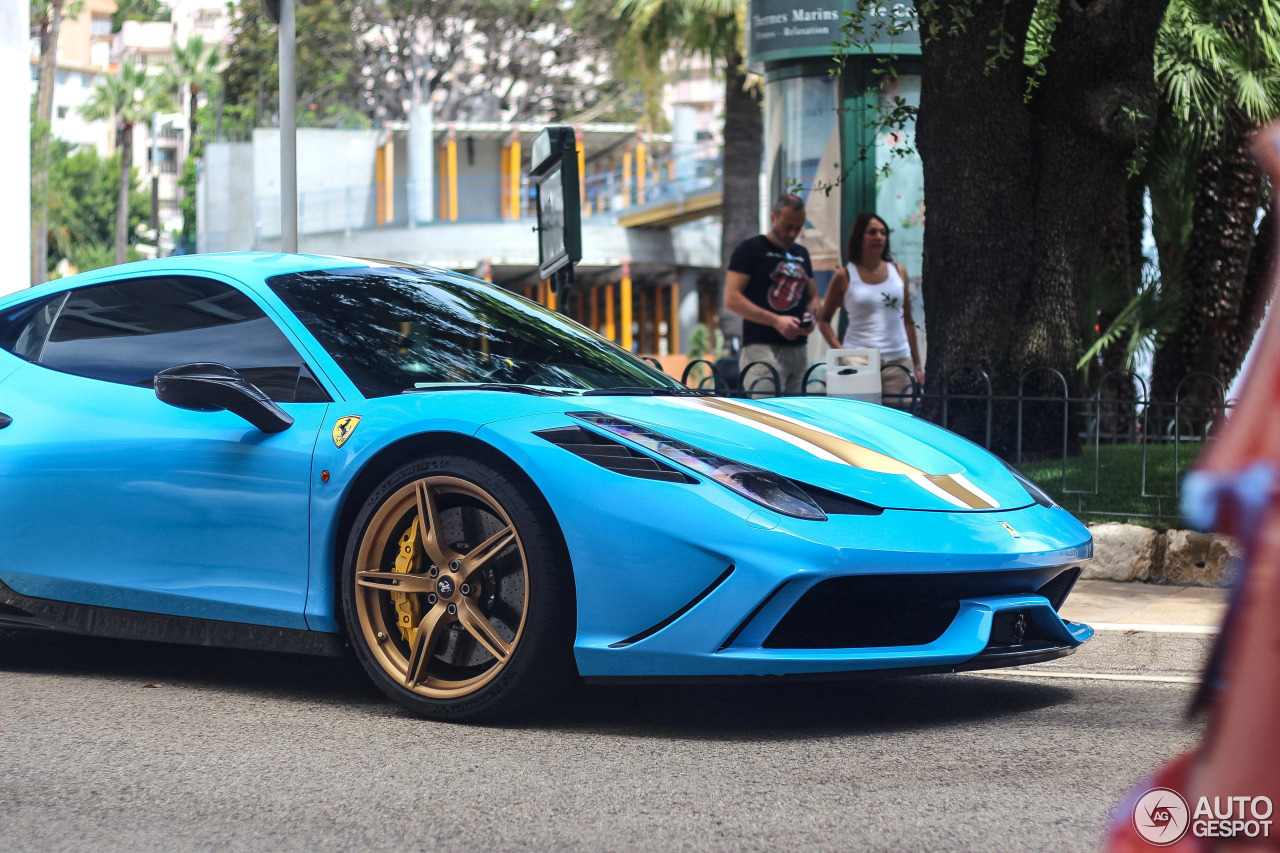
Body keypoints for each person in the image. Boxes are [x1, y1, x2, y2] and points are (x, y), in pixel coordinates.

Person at [817, 212, 923, 406]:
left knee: (897, 422)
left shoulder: (899, 272)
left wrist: (917, 365)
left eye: (883, 232)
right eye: (872, 232)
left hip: (897, 360)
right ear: (860, 237)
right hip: (857, 362)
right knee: (860, 421)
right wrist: (841, 353)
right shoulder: (845, 275)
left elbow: (908, 320)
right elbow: (823, 320)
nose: (879, 237)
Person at [724, 194, 823, 395]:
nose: (792, 233)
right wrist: (776, 320)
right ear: (773, 218)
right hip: (762, 348)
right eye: (787, 226)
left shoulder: (801, 253)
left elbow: (813, 297)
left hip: (798, 349)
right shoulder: (750, 249)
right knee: (767, 414)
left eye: (797, 228)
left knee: (797, 416)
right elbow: (732, 299)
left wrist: (811, 316)